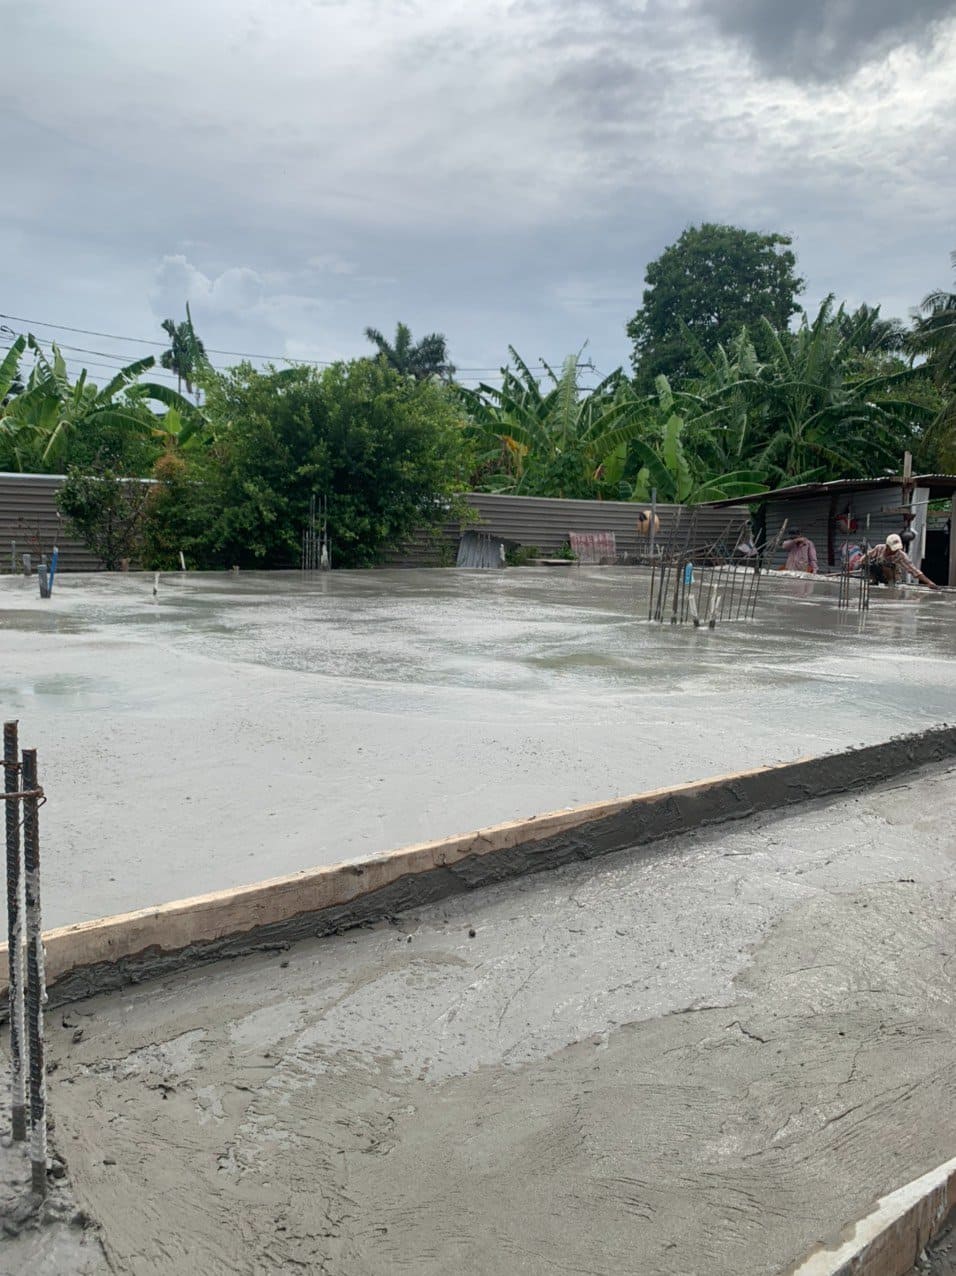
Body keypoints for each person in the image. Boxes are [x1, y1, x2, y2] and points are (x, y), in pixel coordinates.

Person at [864, 533, 939, 588]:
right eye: (893, 549)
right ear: (887, 546)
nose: (895, 551)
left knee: (886, 564)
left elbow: (913, 570)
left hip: (892, 576)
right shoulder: (879, 548)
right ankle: (874, 581)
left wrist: (929, 582)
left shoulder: (901, 555)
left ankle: (891, 583)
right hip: (879, 574)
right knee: (872, 563)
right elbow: (867, 556)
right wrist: (861, 563)